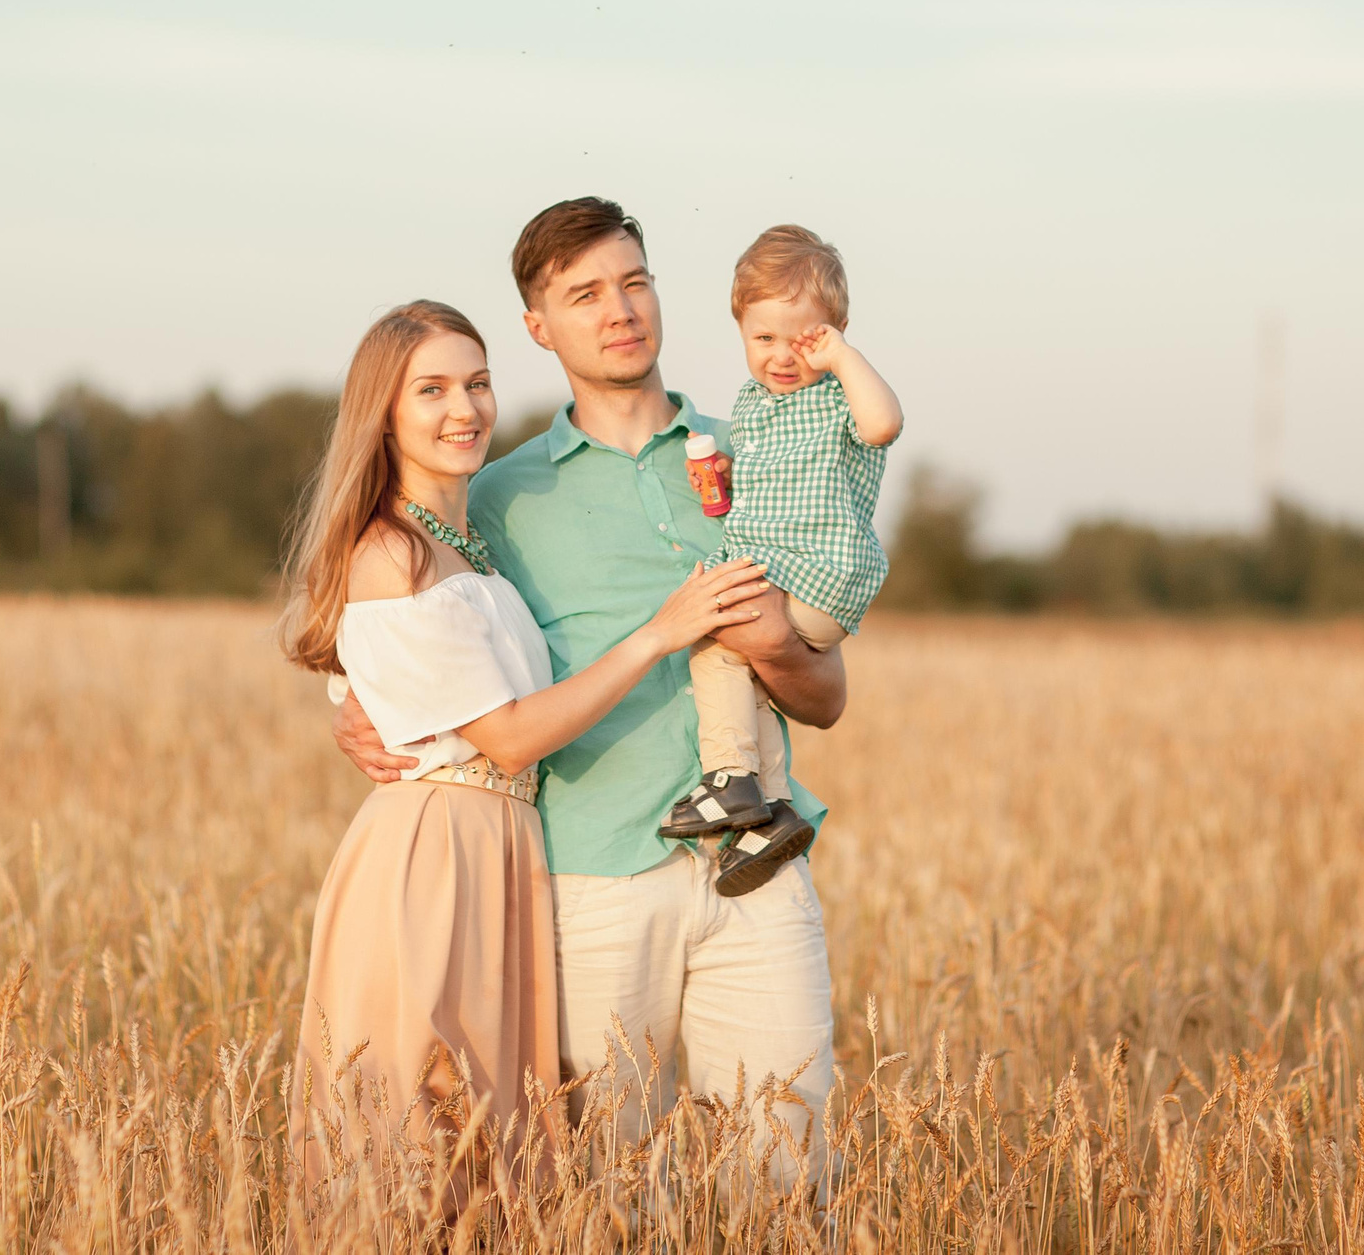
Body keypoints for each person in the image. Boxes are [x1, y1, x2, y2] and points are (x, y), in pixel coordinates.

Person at [331, 201, 851, 1186]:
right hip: (594, 880)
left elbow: (826, 695)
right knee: (608, 1189)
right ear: (538, 326)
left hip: (762, 862)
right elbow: (409, 611)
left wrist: (772, 642)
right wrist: (350, 707)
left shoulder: (763, 455)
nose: (620, 310)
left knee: (788, 1173)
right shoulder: (498, 495)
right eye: (584, 295)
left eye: (633, 282)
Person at [281, 298, 769, 1197]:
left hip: (504, 850)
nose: (464, 408)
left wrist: (351, 700)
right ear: (382, 414)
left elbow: (395, 671)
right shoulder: (391, 550)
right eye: (431, 390)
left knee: (490, 1148)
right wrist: (658, 634)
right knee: (418, 1127)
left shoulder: (468, 546)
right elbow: (506, 737)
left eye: (477, 382)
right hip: (433, 854)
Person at [663, 224, 902, 897]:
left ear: (834, 332)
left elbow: (884, 424)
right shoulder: (754, 405)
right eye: (762, 338)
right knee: (750, 680)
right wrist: (731, 475)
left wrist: (845, 360)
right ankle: (769, 813)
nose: (781, 356)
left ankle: (731, 778)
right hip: (788, 571)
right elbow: (774, 484)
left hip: (817, 574)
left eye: (803, 339)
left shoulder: (838, 395)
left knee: (713, 636)